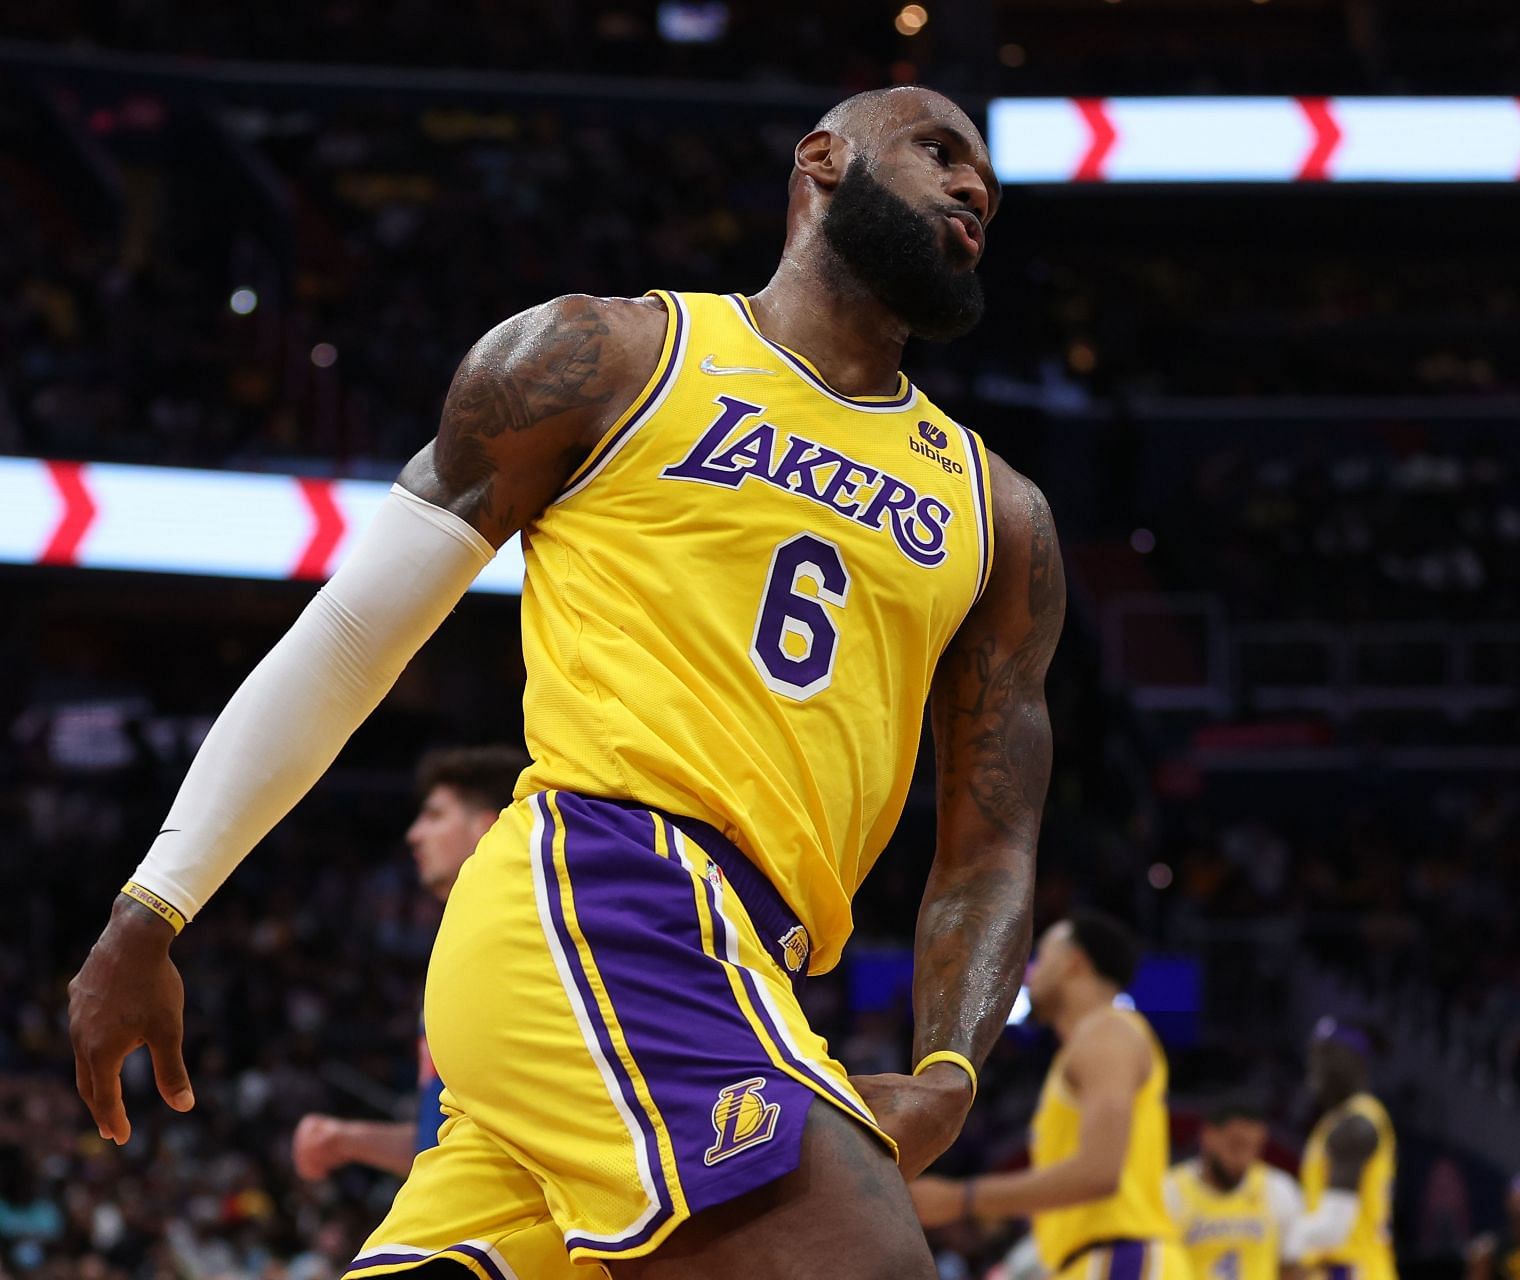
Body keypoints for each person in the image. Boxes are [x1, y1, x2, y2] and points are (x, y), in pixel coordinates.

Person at [67, 84, 1063, 1280]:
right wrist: (154, 903)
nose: (971, 190)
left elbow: (991, 845)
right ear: (822, 161)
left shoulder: (997, 512)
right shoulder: (608, 353)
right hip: (605, 890)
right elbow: (349, 637)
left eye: (987, 189)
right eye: (939, 152)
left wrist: (951, 1074)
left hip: (743, 961)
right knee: (861, 1261)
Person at [912, 912, 1191, 1280]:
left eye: (1042, 957)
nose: (1031, 973)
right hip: (1091, 1261)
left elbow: (1099, 1172)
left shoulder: (1107, 1031)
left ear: (1075, 963)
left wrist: (960, 1198)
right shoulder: (1087, 1045)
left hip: (1119, 1260)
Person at [292, 746, 525, 1180]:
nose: (414, 834)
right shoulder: (454, 949)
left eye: (435, 816)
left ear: (488, 827)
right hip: (466, 1206)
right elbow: (444, 1142)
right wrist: (347, 1140)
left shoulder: (525, 943)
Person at [1292, 1019, 1396, 1280]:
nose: (1316, 1066)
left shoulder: (1357, 1125)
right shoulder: (1335, 1121)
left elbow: (1334, 1226)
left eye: (1328, 1054)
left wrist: (1267, 1232)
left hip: (1352, 1270)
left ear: (1356, 1061)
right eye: (1314, 1055)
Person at [1165, 1100, 1303, 1280]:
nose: (1243, 1161)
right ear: (1208, 1136)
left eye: (1254, 1149)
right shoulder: (1170, 1190)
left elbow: (1292, 1267)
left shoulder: (1278, 1188)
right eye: (1236, 1146)